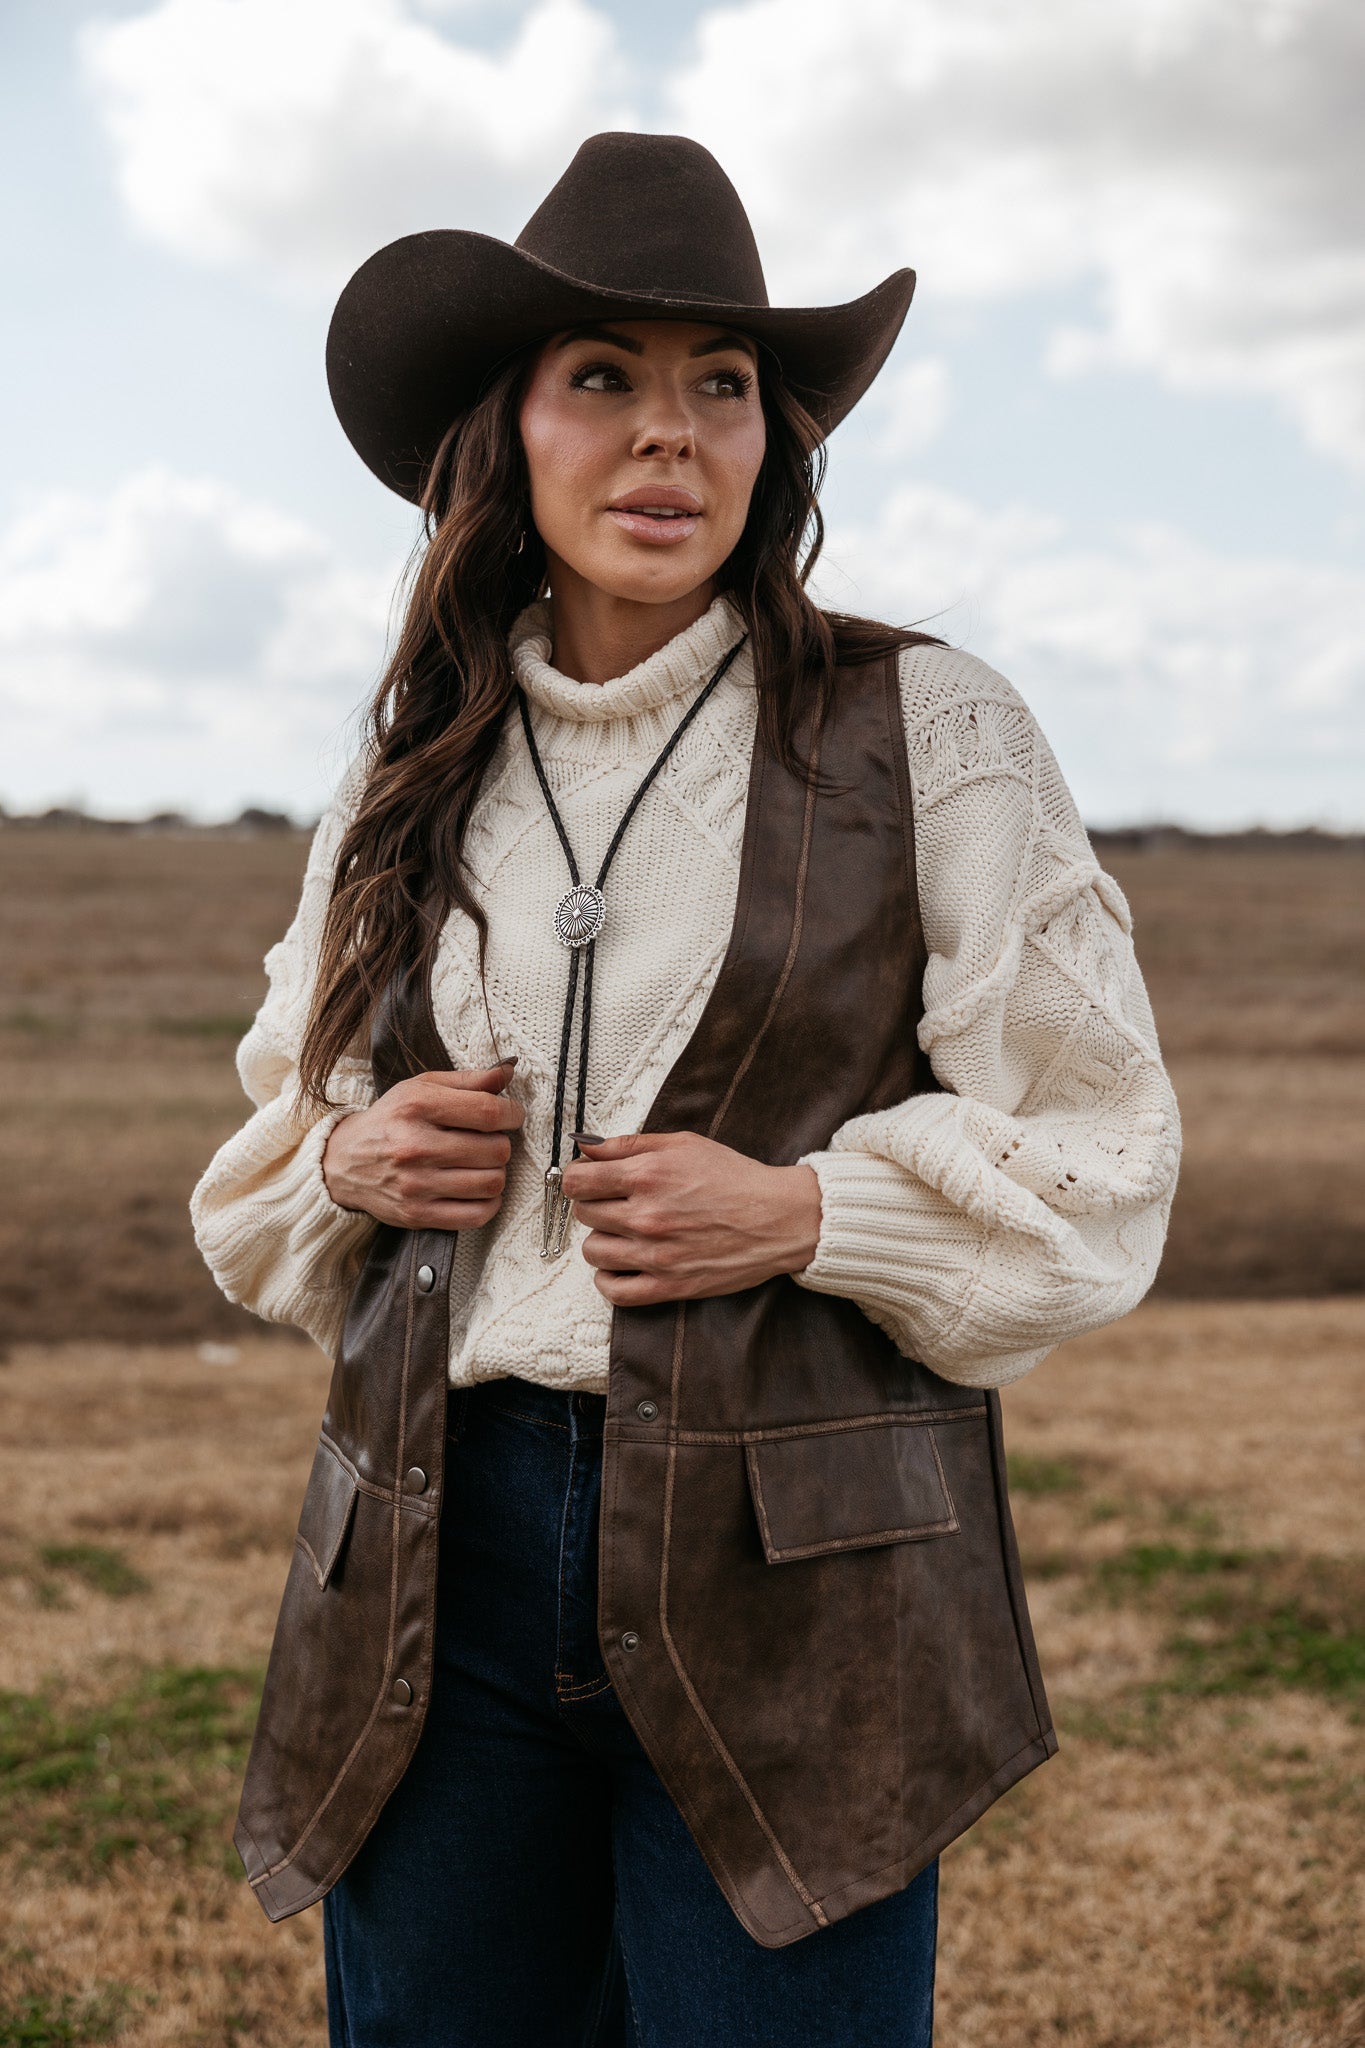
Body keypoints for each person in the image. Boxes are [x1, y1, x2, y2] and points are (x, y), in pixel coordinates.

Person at [192, 132, 1180, 2048]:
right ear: (508, 435)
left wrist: (808, 1210)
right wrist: (356, 1156)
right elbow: (262, 1173)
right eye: (606, 381)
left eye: (718, 387)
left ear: (772, 443)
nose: (669, 439)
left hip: (798, 1569)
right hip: (433, 1558)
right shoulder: (408, 768)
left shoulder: (933, 729)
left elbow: (1101, 1155)